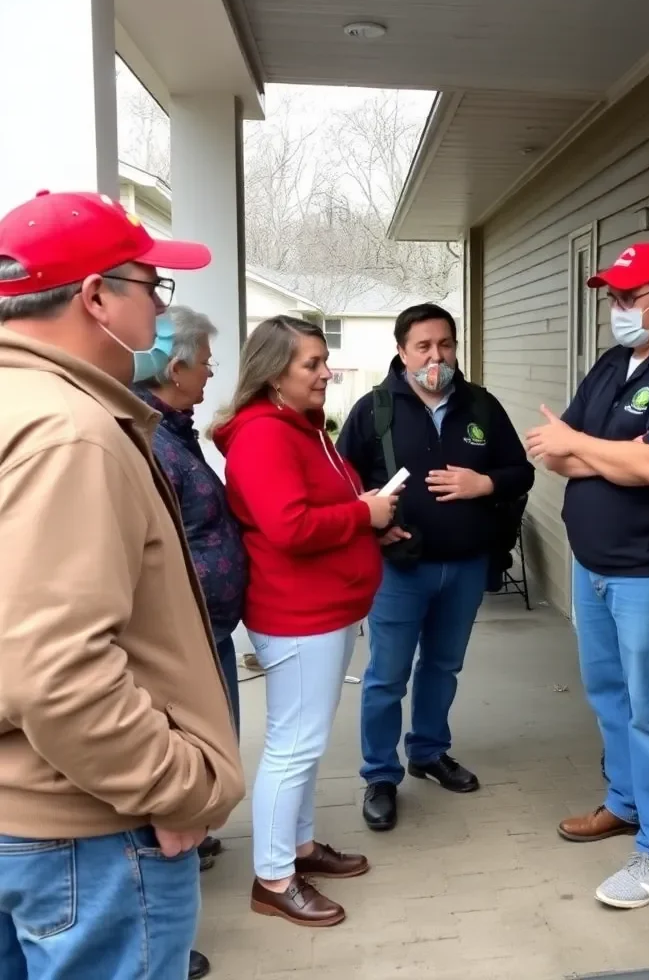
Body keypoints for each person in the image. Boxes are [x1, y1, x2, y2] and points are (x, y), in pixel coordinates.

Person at [0, 190, 245, 980]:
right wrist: (177, 790)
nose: (159, 316)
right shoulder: (70, 433)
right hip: (85, 833)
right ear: (96, 297)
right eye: (151, 289)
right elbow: (59, 671)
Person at [526, 242, 649, 909]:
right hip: (593, 564)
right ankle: (627, 802)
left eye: (630, 297)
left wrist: (587, 447)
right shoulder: (614, 362)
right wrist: (604, 452)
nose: (617, 309)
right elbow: (557, 454)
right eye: (611, 296)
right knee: (608, 693)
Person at [212, 315, 396, 928]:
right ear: (273, 373)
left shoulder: (304, 428)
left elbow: (321, 508)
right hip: (296, 615)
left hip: (327, 609)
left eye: (323, 361)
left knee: (307, 742)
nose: (325, 372)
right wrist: (362, 516)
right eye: (310, 364)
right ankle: (272, 876)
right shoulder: (265, 435)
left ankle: (300, 846)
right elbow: (289, 527)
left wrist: (370, 521)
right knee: (293, 745)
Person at [338, 303, 534, 831]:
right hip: (401, 569)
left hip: (465, 567)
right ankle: (381, 774)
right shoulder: (374, 409)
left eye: (445, 344)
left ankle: (427, 751)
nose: (436, 356)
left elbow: (520, 471)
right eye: (423, 346)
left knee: (443, 667)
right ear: (402, 350)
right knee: (386, 676)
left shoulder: (481, 407)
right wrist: (373, 521)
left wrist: (484, 483)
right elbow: (340, 482)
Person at [136, 305, 247, 980]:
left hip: (208, 628)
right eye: (204, 360)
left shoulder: (174, 429)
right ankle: (159, 924)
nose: (210, 372)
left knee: (212, 750)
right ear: (173, 367)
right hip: (181, 639)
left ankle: (190, 841)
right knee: (180, 769)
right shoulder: (147, 439)